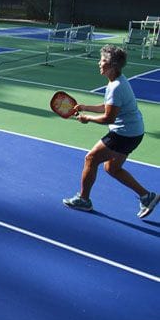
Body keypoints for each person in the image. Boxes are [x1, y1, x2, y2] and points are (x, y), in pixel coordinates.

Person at [63, 44, 159, 218]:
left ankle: (83, 200)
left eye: (103, 60)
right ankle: (147, 196)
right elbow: (108, 107)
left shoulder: (115, 87)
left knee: (90, 158)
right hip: (134, 133)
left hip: (124, 134)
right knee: (112, 168)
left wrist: (87, 118)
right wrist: (85, 107)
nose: (99, 63)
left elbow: (109, 118)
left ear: (113, 65)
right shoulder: (117, 82)